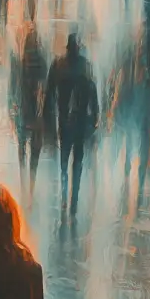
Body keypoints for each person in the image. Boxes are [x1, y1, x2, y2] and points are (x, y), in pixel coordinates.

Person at [44, 33, 99, 218]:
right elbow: (93, 94)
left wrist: (48, 119)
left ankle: (67, 198)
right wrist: (95, 116)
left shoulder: (59, 66)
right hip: (78, 122)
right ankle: (71, 200)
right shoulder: (83, 67)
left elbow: (49, 94)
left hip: (68, 121)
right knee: (75, 161)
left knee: (67, 161)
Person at [9, 25, 47, 197]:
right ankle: (31, 188)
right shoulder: (41, 63)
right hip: (35, 115)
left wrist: (11, 110)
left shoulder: (18, 64)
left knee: (22, 149)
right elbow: (44, 90)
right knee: (35, 154)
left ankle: (24, 185)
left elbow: (12, 90)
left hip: (22, 113)